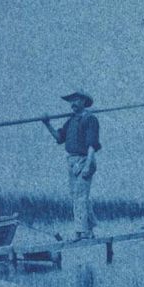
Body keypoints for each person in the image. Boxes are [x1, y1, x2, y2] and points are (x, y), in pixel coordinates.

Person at [42, 90, 101, 239]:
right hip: (72, 162)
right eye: (71, 101)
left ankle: (80, 232)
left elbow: (92, 145)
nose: (72, 104)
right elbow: (59, 137)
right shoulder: (71, 120)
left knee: (80, 196)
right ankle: (90, 229)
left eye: (75, 100)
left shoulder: (90, 119)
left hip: (85, 159)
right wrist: (47, 123)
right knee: (79, 196)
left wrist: (88, 165)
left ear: (83, 101)